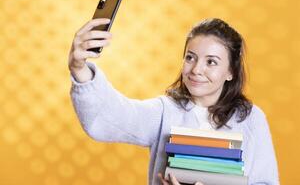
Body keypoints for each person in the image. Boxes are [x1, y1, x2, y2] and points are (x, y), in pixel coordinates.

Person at [68, 18, 279, 185]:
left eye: (211, 62)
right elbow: (109, 117)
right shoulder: (164, 112)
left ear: (230, 72)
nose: (196, 70)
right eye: (190, 57)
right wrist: (79, 68)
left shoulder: (251, 119)